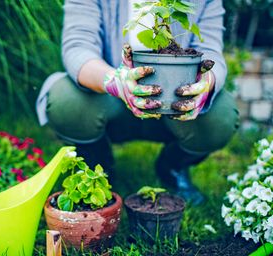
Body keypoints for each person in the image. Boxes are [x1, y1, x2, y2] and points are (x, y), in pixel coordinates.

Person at [36, 0, 239, 205]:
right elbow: (78, 48)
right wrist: (116, 82)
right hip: (108, 100)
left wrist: (207, 82)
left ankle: (173, 166)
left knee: (220, 116)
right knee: (66, 100)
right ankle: (98, 162)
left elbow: (210, 50)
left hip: (175, 102)